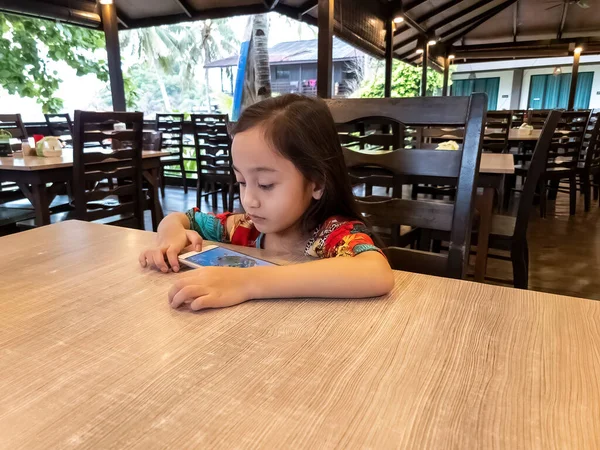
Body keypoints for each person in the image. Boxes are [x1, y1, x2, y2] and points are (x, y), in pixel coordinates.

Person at [139, 94, 394, 311]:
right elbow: (181, 219)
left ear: (316, 183)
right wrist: (170, 235)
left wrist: (246, 282)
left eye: (265, 184)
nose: (249, 200)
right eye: (241, 180)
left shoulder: (333, 235)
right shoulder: (244, 227)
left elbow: (376, 272)